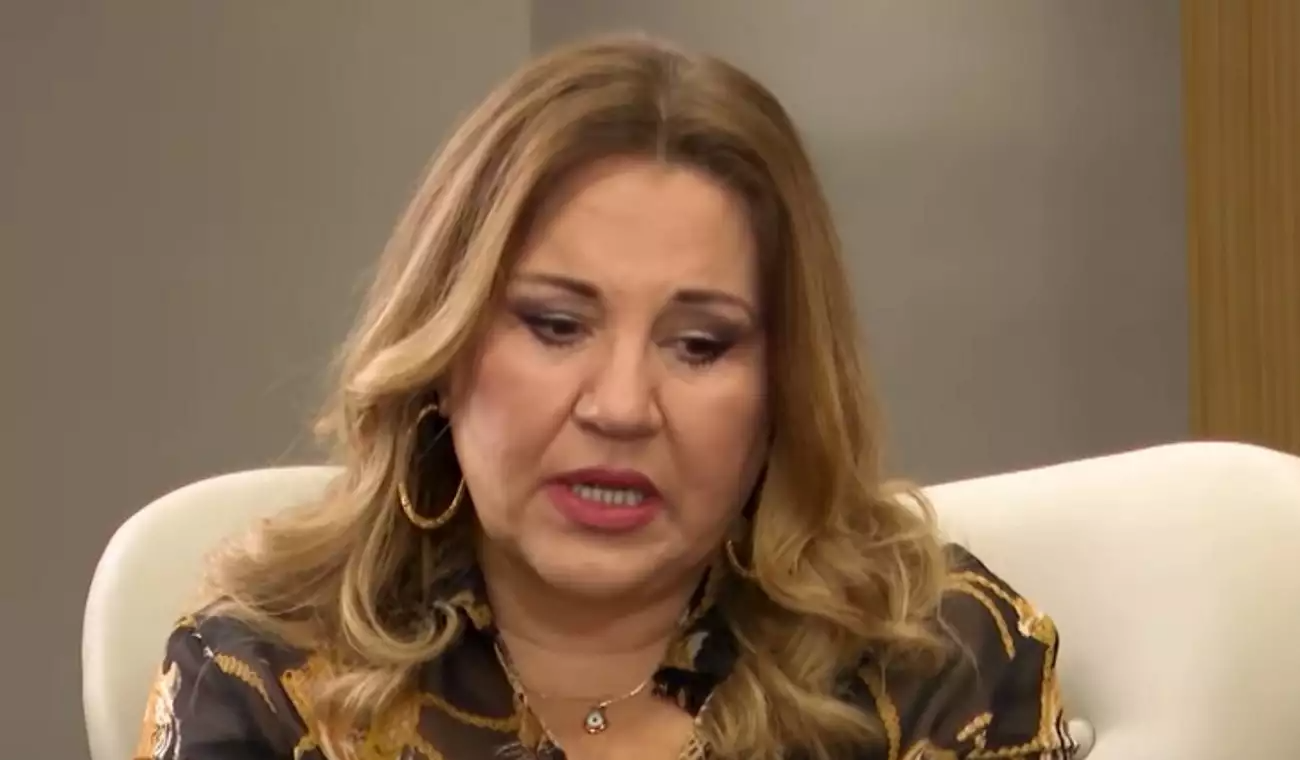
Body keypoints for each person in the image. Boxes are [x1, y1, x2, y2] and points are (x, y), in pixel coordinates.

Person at [134, 35, 1078, 760]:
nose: (622, 407)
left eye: (699, 345)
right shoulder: (267, 672)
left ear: (783, 387)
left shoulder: (935, 658)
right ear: (442, 347)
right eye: (556, 325)